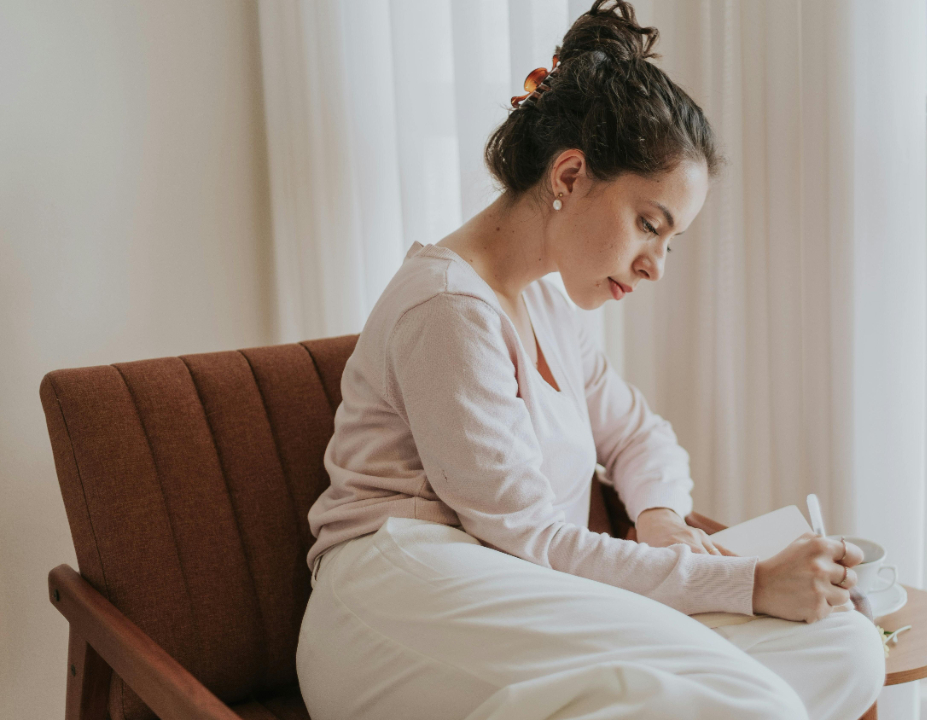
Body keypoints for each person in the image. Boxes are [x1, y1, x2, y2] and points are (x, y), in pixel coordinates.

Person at [295, 2, 885, 718]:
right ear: (569, 176)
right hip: (402, 590)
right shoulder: (446, 309)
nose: (656, 267)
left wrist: (663, 518)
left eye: (671, 241)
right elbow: (528, 538)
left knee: (845, 649)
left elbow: (637, 435)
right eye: (648, 225)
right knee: (752, 699)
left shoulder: (545, 303)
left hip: (525, 584)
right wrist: (748, 583)